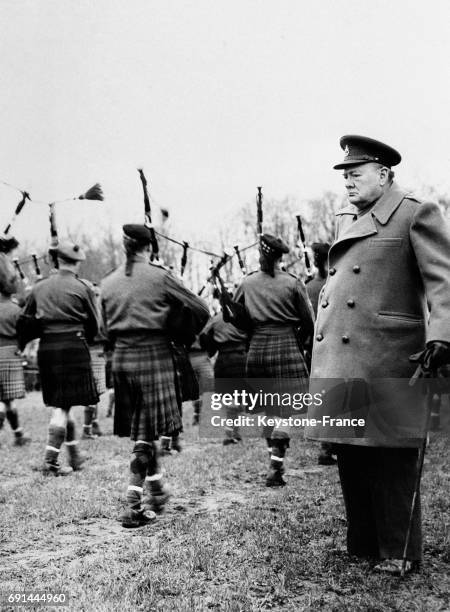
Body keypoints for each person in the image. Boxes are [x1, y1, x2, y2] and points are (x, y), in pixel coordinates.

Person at [306, 135, 450, 574]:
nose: (347, 182)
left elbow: (444, 280)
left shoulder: (414, 211)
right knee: (352, 451)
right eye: (344, 175)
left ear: (384, 174)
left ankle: (399, 550)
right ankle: (364, 541)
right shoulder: (352, 217)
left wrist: (443, 335)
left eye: (356, 173)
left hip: (390, 354)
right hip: (346, 359)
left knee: (392, 457)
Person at [100, 224, 209, 528]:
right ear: (149, 247)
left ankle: (158, 491)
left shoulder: (107, 281)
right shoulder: (161, 276)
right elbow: (201, 308)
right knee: (145, 436)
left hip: (122, 359)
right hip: (154, 356)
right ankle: (133, 505)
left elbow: (102, 329)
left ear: (125, 246)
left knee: (145, 428)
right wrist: (178, 329)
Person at [233, 234, 314, 486]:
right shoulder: (292, 283)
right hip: (286, 346)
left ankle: (274, 462)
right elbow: (309, 322)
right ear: (281, 257)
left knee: (269, 409)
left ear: (260, 254)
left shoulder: (247, 283)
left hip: (257, 349)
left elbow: (237, 318)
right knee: (285, 412)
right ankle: (275, 467)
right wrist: (296, 340)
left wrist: (254, 332)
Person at [26, 241, 99, 476]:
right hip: (74, 345)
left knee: (62, 404)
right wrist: (82, 337)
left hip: (47, 348)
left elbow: (26, 321)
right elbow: (94, 324)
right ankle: (50, 461)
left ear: (56, 261)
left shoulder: (39, 287)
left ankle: (75, 455)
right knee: (62, 406)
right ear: (76, 263)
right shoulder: (83, 287)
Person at [200, 287, 248, 445]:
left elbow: (205, 338)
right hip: (241, 359)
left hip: (224, 361)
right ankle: (233, 431)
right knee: (239, 399)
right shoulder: (242, 318)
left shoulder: (215, 320)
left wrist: (210, 349)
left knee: (230, 399)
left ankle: (232, 431)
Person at [306, 242, 336, 466]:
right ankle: (328, 447)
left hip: (314, 345)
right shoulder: (334, 282)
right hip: (334, 344)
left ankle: (327, 445)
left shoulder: (308, 286)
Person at [0, 235, 30, 446]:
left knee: (6, 399)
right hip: (11, 352)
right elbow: (24, 333)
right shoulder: (15, 309)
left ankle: (19, 434)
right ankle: (17, 434)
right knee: (4, 400)